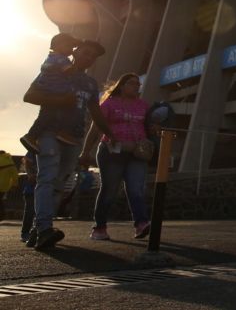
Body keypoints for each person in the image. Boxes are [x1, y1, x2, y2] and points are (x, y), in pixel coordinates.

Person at [23, 39, 114, 250]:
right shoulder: (55, 71)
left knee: (59, 184)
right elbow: (29, 95)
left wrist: (110, 133)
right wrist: (60, 101)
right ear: (75, 52)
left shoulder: (90, 83)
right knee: (46, 178)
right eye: (85, 52)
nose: (88, 56)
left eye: (93, 55)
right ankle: (45, 228)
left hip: (74, 138)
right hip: (49, 133)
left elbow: (95, 111)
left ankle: (39, 229)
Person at [79, 73, 151, 241]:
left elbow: (148, 126)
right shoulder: (109, 103)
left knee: (136, 189)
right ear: (122, 85)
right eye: (132, 83)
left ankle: (141, 223)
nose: (136, 86)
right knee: (109, 190)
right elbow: (96, 127)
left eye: (138, 84)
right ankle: (99, 227)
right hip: (111, 152)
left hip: (136, 152)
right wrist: (86, 151)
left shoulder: (143, 105)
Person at [20, 33, 81, 152]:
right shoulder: (61, 59)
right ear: (58, 45)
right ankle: (60, 133)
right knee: (67, 109)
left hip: (47, 91)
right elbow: (70, 71)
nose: (72, 50)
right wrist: (76, 60)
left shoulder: (51, 57)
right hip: (56, 92)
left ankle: (32, 135)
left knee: (45, 114)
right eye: (69, 46)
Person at [20, 151, 37, 242]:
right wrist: (31, 175)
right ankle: (25, 233)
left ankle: (36, 232)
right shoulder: (33, 151)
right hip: (31, 189)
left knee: (37, 212)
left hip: (40, 187)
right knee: (30, 211)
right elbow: (27, 162)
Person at [0, 149, 18, 221]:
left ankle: (2, 215)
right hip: (5, 185)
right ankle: (2, 214)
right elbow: (15, 175)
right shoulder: (10, 161)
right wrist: (15, 185)